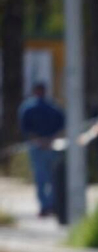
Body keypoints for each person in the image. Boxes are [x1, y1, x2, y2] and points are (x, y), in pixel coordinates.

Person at [19, 83, 66, 218]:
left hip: (39, 145)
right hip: (49, 145)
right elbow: (62, 125)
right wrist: (50, 139)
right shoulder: (53, 106)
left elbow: (24, 128)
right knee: (50, 177)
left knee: (42, 178)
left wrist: (40, 140)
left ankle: (47, 206)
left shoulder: (28, 107)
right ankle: (50, 205)